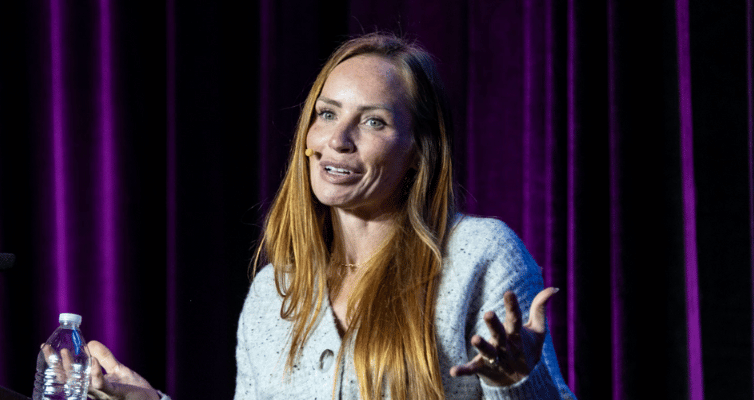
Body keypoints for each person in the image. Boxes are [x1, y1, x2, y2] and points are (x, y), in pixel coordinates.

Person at [85, 32, 576, 400]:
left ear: (418, 152)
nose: (338, 140)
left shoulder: (480, 256)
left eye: (373, 121)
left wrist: (518, 383)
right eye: (326, 114)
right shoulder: (274, 294)